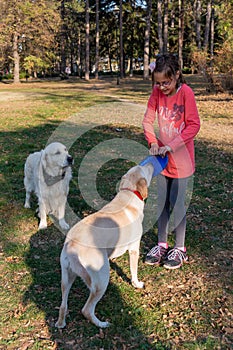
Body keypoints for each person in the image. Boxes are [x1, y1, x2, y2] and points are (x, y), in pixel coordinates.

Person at [142, 53, 201, 269]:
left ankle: (180, 248)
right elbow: (147, 121)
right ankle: (161, 244)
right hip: (162, 160)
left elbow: (194, 125)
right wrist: (152, 143)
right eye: (158, 83)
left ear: (176, 75)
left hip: (182, 160)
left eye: (166, 82)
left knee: (177, 204)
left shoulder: (186, 93)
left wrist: (172, 145)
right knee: (162, 203)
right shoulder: (156, 93)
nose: (162, 87)